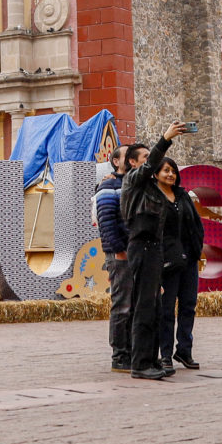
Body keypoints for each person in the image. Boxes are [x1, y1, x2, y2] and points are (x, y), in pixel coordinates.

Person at [120, 121, 189, 381]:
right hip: (143, 246)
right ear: (133, 163)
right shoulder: (132, 181)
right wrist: (165, 139)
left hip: (154, 248)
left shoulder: (150, 187)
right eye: (145, 157)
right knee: (145, 306)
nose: (151, 161)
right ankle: (140, 363)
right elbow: (151, 166)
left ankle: (150, 359)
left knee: (155, 307)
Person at [97, 141, 148, 371]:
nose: (130, 159)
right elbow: (106, 221)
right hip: (121, 254)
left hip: (139, 252)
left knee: (137, 304)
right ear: (116, 161)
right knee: (123, 304)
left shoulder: (140, 184)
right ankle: (120, 354)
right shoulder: (109, 185)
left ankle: (136, 351)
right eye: (127, 156)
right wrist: (119, 250)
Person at [157, 158, 205, 370]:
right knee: (166, 310)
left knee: (188, 306)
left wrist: (196, 248)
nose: (170, 175)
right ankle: (165, 355)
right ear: (156, 173)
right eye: (166, 170)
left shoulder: (183, 195)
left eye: (173, 171)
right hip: (167, 261)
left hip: (189, 259)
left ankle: (184, 350)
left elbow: (196, 224)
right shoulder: (153, 197)